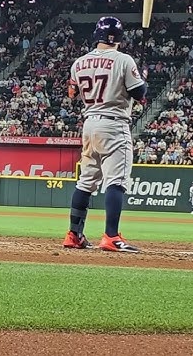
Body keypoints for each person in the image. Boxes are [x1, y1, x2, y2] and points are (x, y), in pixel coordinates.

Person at [62, 16, 147, 252]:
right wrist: (143, 79)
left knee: (86, 181)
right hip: (114, 123)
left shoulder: (78, 63)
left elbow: (72, 94)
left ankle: (74, 234)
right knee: (116, 181)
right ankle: (111, 236)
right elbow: (139, 93)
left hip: (89, 124)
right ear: (118, 38)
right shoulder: (123, 59)